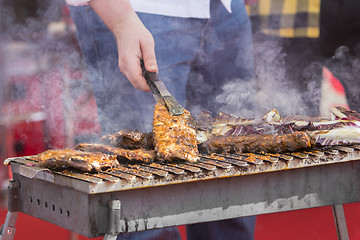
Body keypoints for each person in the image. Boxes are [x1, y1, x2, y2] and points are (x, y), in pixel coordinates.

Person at [66, 0, 257, 239]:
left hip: (226, 10)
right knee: (147, 212)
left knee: (233, 188)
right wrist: (122, 20)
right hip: (137, 11)